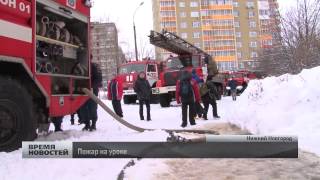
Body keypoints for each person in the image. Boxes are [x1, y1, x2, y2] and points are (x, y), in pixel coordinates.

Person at [81, 62, 103, 131]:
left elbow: (99, 79)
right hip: (83, 91)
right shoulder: (82, 65)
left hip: (93, 91)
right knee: (83, 108)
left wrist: (91, 86)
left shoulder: (95, 66)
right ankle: (86, 124)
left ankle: (93, 124)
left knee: (92, 107)